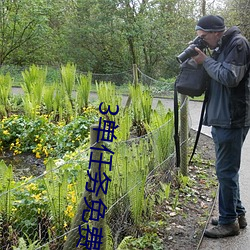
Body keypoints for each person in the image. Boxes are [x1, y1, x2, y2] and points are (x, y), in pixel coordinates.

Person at [192, 15, 250, 238]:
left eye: (204, 37)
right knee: (227, 171)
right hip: (222, 117)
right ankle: (237, 214)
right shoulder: (221, 46)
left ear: (216, 32)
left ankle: (228, 223)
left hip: (232, 118)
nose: (203, 41)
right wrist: (202, 60)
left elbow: (229, 77)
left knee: (225, 171)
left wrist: (205, 61)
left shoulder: (238, 44)